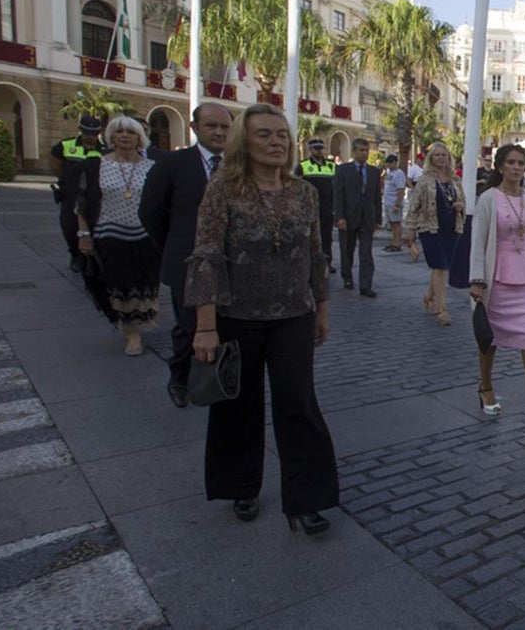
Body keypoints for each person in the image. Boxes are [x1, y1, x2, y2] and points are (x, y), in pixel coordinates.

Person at [187, 103, 338, 535]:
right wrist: (206, 324)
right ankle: (241, 487)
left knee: (299, 404)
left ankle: (306, 500)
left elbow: (315, 254)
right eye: (265, 135)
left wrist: (321, 308)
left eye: (281, 135)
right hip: (236, 315)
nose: (276, 142)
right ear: (244, 142)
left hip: (294, 314)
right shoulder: (223, 190)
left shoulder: (303, 192)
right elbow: (206, 257)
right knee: (239, 406)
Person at [140, 103, 232, 408]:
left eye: (224, 127)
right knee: (191, 326)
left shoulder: (238, 167)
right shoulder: (172, 164)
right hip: (186, 262)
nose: (219, 132)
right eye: (211, 126)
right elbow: (151, 213)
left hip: (231, 266)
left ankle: (219, 378)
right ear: (195, 128)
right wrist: (173, 246)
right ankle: (179, 378)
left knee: (227, 326)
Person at [469, 144, 525, 427]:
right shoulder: (488, 199)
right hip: (496, 278)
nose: (516, 168)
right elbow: (478, 243)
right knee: (489, 339)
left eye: (521, 163)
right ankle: (485, 387)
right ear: (501, 167)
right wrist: (477, 281)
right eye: (511, 162)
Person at [75, 116, 161, 356]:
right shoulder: (96, 166)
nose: (125, 136)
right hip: (109, 234)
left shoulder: (151, 167)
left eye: (131, 132)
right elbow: (82, 202)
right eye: (119, 131)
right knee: (118, 284)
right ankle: (131, 333)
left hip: (145, 237)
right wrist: (84, 234)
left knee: (146, 284)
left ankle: (142, 318)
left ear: (139, 138)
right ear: (111, 136)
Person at [403, 142, 465, 325]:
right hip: (430, 228)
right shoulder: (425, 180)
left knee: (442, 266)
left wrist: (460, 206)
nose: (440, 158)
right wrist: (410, 230)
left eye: (443, 155)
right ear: (431, 158)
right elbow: (414, 206)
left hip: (451, 227)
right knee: (438, 265)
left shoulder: (455, 179)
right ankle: (442, 308)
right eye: (437, 155)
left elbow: (462, 199)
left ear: (449, 158)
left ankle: (429, 297)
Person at [51, 115, 106, 272]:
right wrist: (67, 181)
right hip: (71, 194)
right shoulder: (65, 145)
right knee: (69, 227)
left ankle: (91, 257)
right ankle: (75, 254)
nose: (90, 137)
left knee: (94, 228)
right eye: (87, 133)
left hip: (94, 196)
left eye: (93, 134)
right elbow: (56, 165)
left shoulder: (104, 150)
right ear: (80, 130)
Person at [334, 139, 382, 297]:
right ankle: (347, 277)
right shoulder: (343, 170)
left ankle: (365, 285)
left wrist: (377, 219)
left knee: (366, 252)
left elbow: (376, 197)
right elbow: (338, 195)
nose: (365, 153)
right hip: (348, 217)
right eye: (361, 150)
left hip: (367, 218)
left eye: (367, 150)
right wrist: (339, 216)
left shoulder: (374, 172)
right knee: (347, 250)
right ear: (354, 151)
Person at [294, 138, 337, 273]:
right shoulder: (303, 165)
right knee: (310, 237)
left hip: (327, 208)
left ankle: (327, 263)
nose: (318, 151)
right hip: (309, 208)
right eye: (315, 148)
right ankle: (310, 263)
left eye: (320, 148)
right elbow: (296, 187)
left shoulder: (331, 166)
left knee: (327, 237)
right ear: (310, 150)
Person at [381, 154, 407, 252]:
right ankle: (393, 242)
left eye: (390, 163)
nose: (388, 165)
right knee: (392, 224)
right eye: (387, 163)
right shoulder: (389, 173)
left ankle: (397, 243)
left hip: (394, 202)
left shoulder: (399, 174)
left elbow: (401, 190)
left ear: (395, 162)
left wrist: (397, 204)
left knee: (396, 223)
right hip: (388, 202)